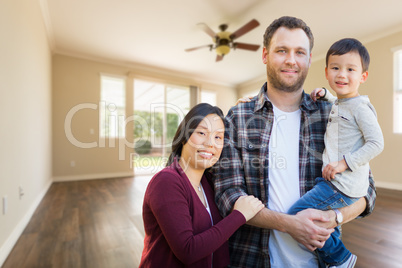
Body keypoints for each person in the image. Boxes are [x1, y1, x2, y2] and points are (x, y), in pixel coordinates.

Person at [214, 16, 377, 268]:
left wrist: (335, 216)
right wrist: (290, 224)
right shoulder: (238, 117)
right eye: (282, 50)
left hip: (317, 261)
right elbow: (227, 194)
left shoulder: (331, 113)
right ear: (266, 55)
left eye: (300, 52)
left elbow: (367, 189)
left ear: (309, 59)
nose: (291, 60)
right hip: (252, 259)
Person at [287, 38, 384, 268]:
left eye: (350, 69)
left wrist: (343, 163)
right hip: (334, 181)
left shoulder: (361, 107)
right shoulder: (341, 103)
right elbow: (341, 112)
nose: (342, 74)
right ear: (327, 72)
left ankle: (340, 258)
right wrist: (325, 95)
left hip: (341, 183)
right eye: (336, 68)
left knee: (297, 214)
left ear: (363, 77)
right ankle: (331, 264)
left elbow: (376, 143)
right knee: (330, 227)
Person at [139, 103, 264, 268]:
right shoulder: (166, 182)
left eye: (218, 137)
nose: (210, 143)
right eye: (202, 133)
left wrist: (249, 106)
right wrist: (239, 215)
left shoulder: (209, 182)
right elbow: (188, 251)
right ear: (184, 135)